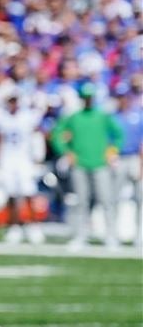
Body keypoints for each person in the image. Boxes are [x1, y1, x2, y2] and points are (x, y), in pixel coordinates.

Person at [50, 82, 124, 250]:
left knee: (106, 200)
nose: (88, 100)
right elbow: (57, 135)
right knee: (81, 201)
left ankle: (111, 236)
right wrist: (66, 152)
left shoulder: (102, 116)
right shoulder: (74, 117)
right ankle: (80, 236)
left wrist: (112, 150)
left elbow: (119, 134)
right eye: (86, 97)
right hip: (80, 164)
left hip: (100, 164)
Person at [0, 92, 45, 244]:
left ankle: (33, 226)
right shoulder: (2, 117)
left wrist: (37, 156)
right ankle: (14, 226)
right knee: (11, 195)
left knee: (28, 193)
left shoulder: (27, 116)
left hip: (24, 158)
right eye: (10, 102)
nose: (12, 104)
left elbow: (37, 135)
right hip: (8, 159)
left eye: (14, 101)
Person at [113, 79, 142, 246]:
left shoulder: (138, 116)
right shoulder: (113, 117)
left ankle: (139, 235)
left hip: (135, 159)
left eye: (126, 97)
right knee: (115, 197)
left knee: (140, 198)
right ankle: (114, 234)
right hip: (119, 159)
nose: (123, 100)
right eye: (120, 97)